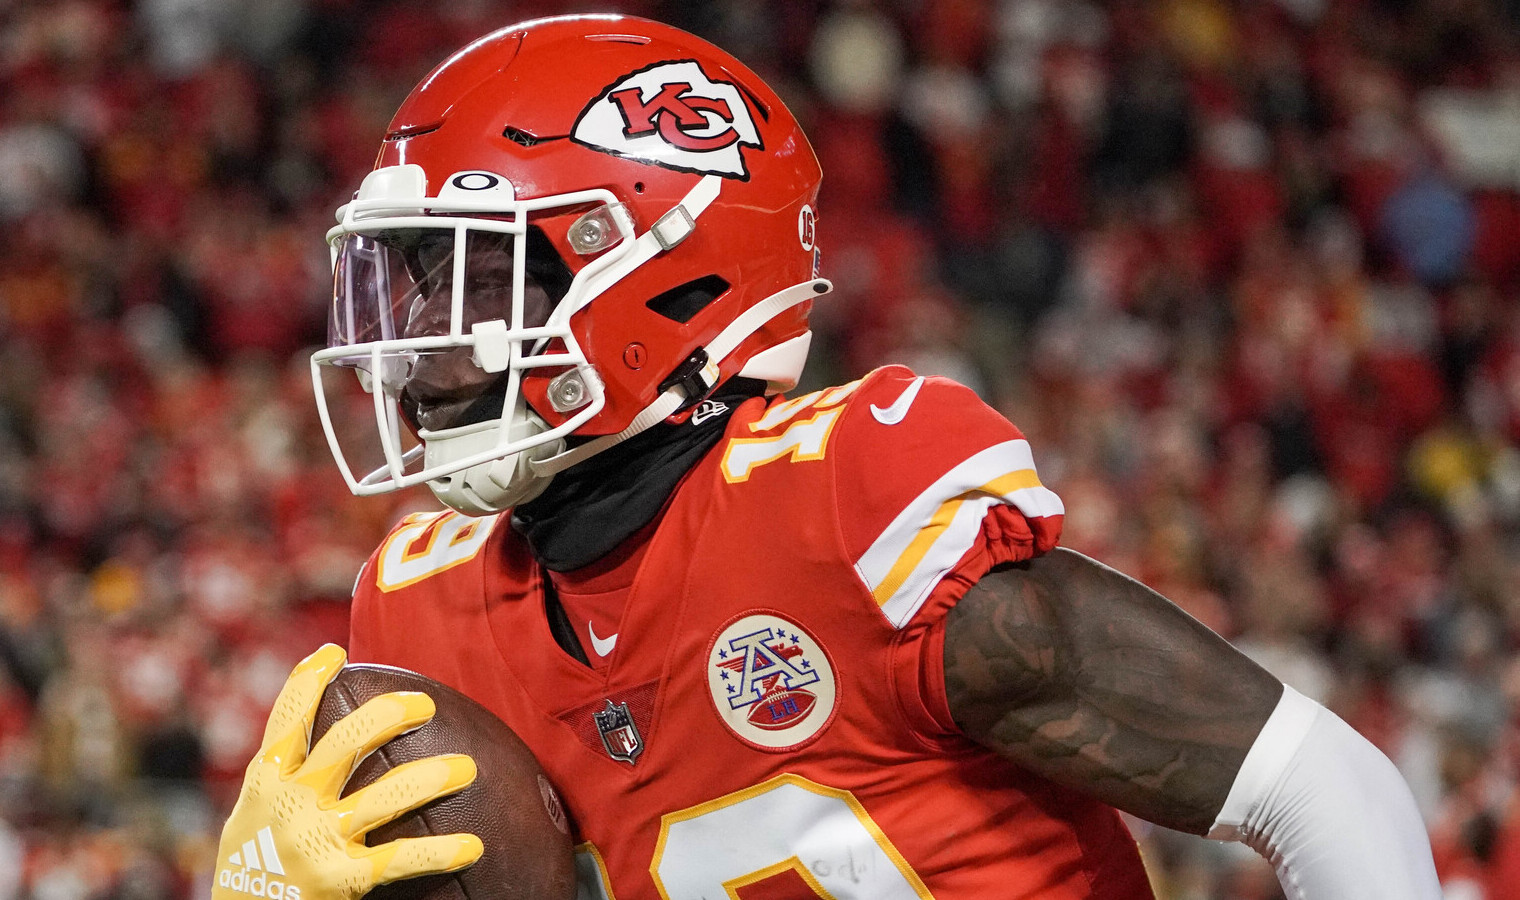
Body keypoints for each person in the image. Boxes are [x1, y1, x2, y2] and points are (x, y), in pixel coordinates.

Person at [211, 14, 1441, 900]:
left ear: (660, 272)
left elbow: (1320, 790)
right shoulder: (422, 613)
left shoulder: (843, 508)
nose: (421, 345)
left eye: (479, 278)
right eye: (413, 283)